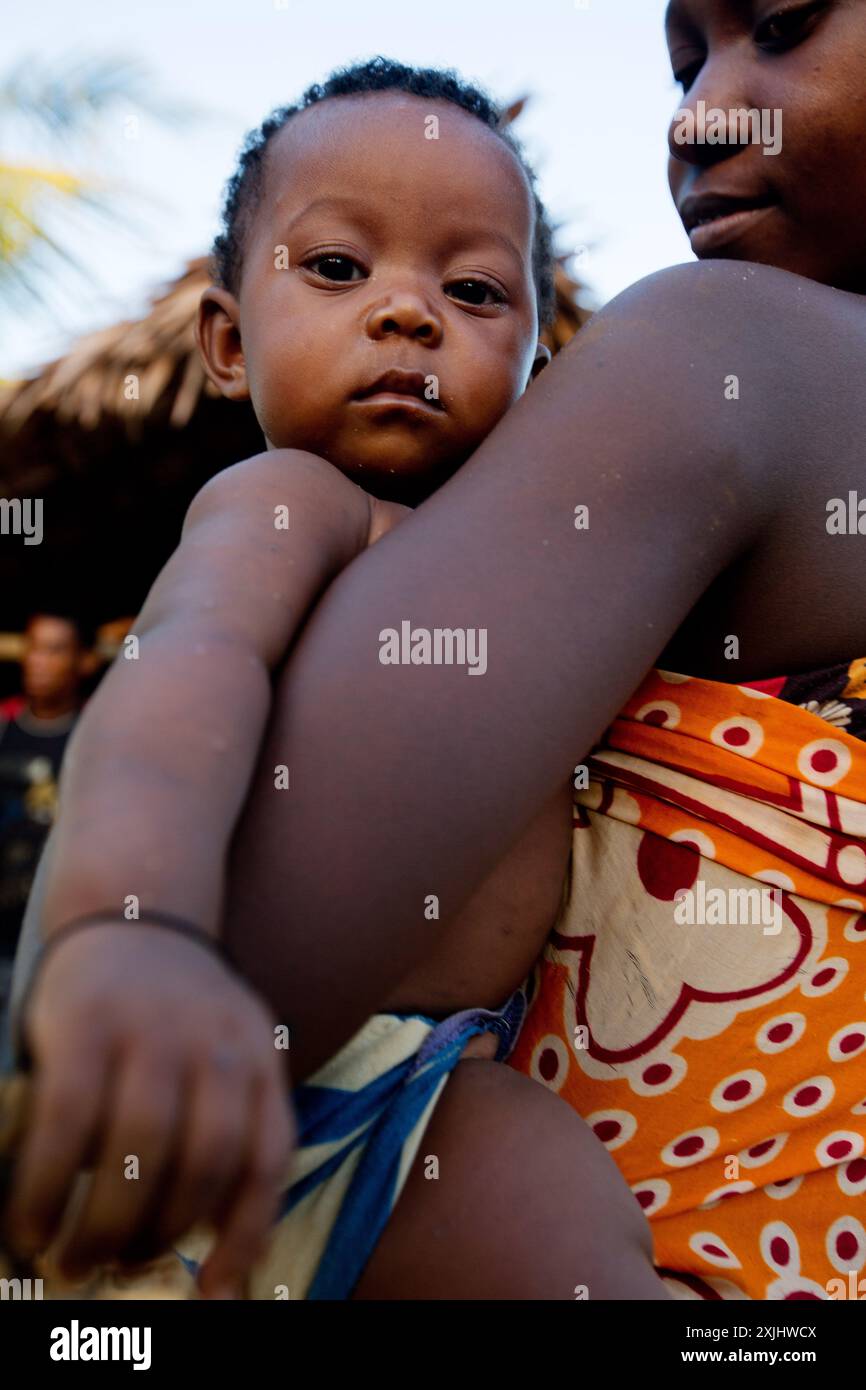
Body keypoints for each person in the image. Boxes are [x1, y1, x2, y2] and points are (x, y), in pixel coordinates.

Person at [8, 0, 866, 1297]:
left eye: (470, 291)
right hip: (275, 1097)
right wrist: (127, 932)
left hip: (446, 1092)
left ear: (537, 359)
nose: (408, 314)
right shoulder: (285, 507)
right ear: (227, 342)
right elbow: (180, 685)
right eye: (339, 271)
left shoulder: (564, 547)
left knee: (557, 1224)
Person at [0, 614, 94, 1066]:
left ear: (83, 662)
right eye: (34, 647)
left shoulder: (95, 737)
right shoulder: (3, 729)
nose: (39, 661)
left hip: (54, 943)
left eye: (56, 650)